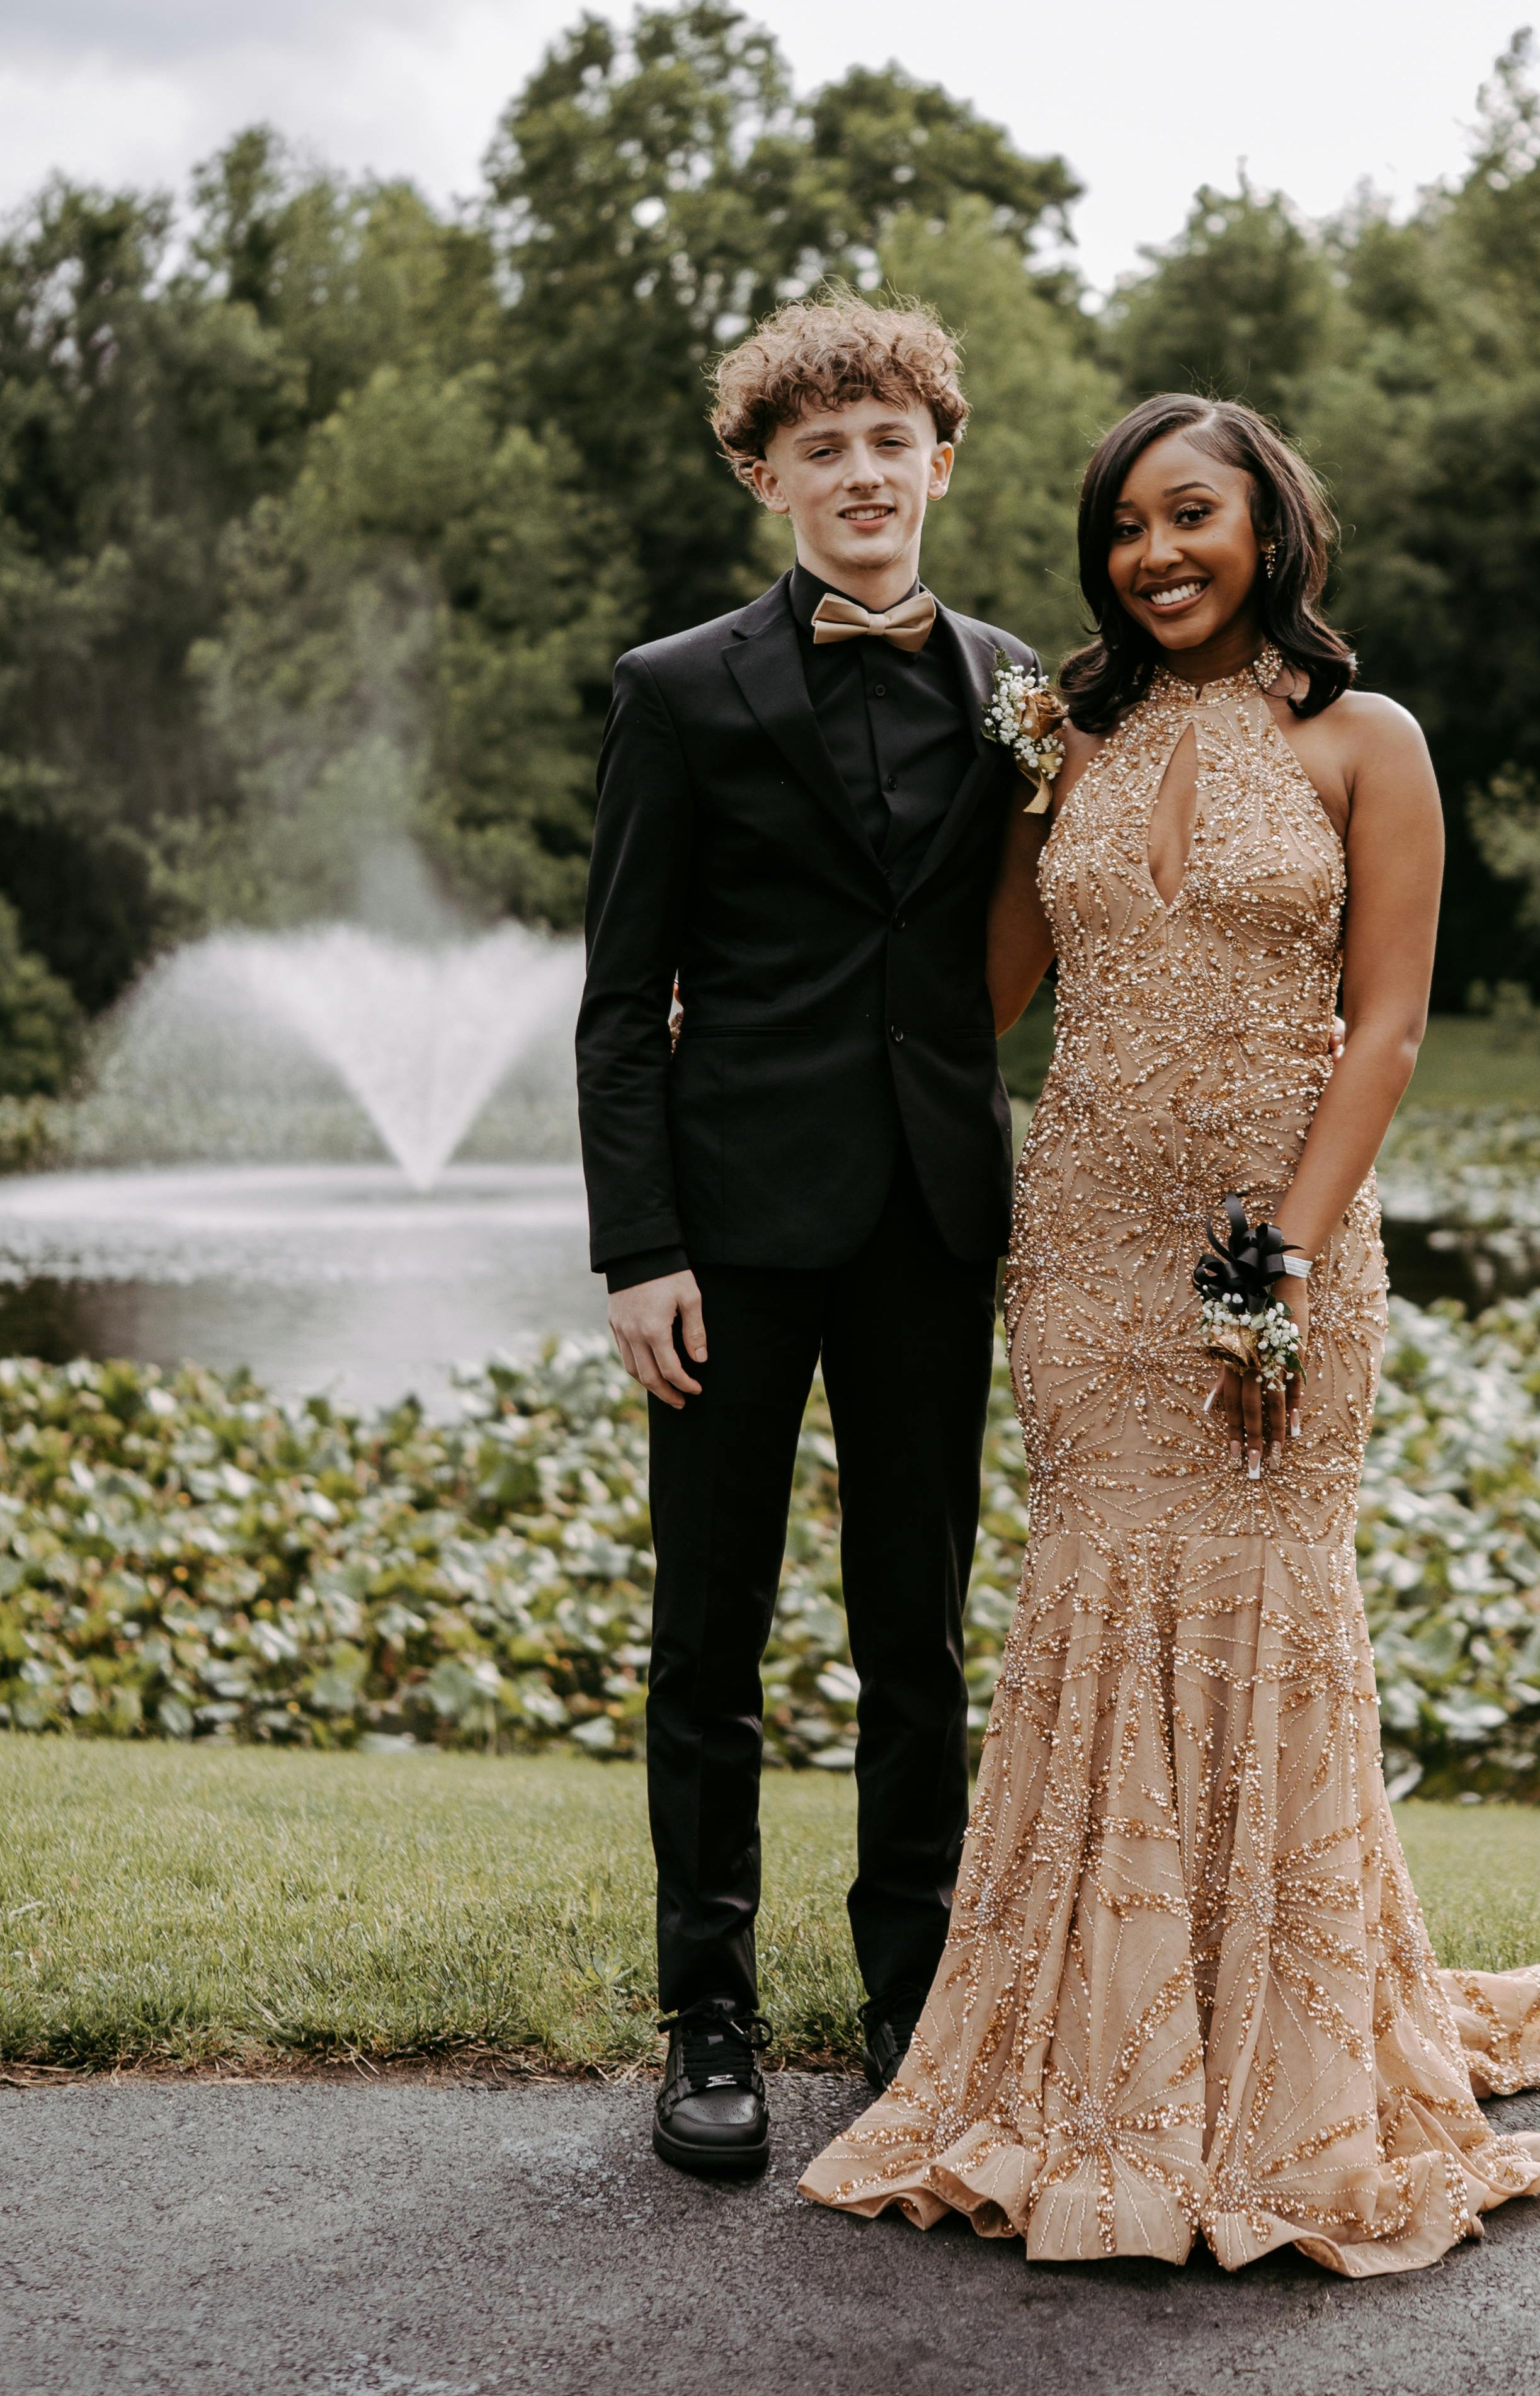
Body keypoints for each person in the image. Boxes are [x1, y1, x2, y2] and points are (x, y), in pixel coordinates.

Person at [801, 395, 1540, 2271]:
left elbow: (1385, 1027)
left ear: (1267, 528)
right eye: (1127, 528)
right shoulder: (1062, 743)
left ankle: (1285, 2053)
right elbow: (978, 994)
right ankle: (1088, 2049)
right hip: (1078, 1257)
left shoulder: (1366, 745)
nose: (1157, 554)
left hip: (1275, 1251)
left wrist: (1276, 1268)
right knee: (1099, 1598)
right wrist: (744, 1019)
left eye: (1192, 517)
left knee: (1259, 1597)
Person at [576, 297, 1036, 2178]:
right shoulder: (676, 688)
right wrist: (638, 1246)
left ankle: (912, 2012)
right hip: (733, 1233)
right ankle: (710, 2019)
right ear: (767, 475)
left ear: (944, 457)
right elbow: (621, 999)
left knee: (914, 1633)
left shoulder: (1024, 688)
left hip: (934, 1216)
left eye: (892, 440)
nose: (862, 474)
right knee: (708, 1631)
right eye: (822, 448)